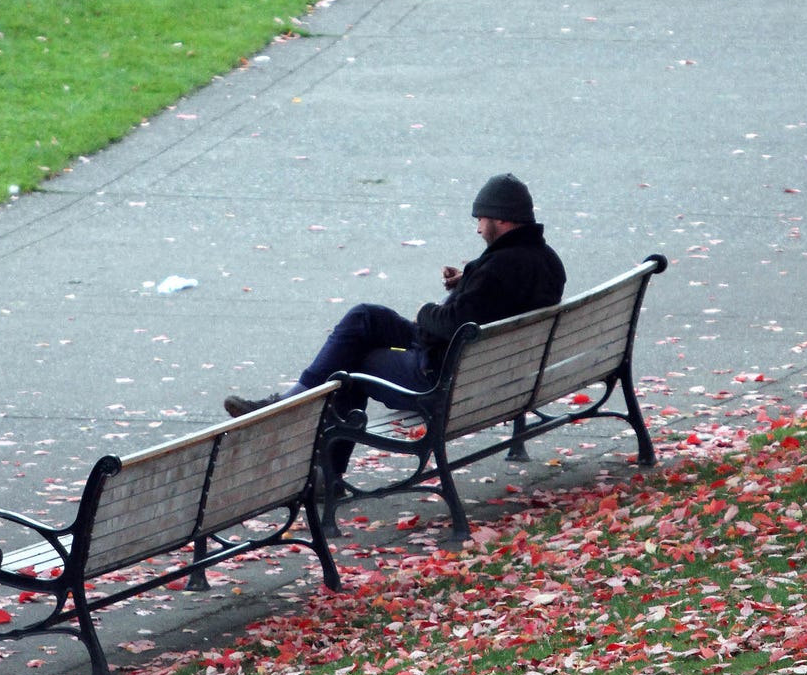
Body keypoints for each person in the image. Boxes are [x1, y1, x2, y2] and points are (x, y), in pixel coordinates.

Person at [223, 173, 567, 469]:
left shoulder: (498, 269)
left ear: (502, 220)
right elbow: (494, 303)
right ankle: (292, 400)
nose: (478, 228)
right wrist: (467, 281)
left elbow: (452, 322)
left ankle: (325, 467)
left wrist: (425, 310)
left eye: (481, 219)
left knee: (352, 365)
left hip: (439, 377)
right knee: (366, 317)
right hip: (495, 371)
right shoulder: (546, 262)